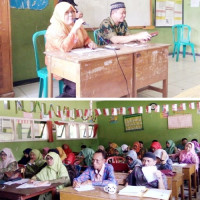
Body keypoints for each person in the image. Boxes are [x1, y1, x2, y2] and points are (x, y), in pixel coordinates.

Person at [45, 2, 97, 97]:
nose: (70, 15)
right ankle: (63, 102)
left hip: (76, 62)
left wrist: (90, 43)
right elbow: (65, 47)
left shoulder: (76, 26)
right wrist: (74, 30)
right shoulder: (54, 28)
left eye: (72, 12)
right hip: (60, 64)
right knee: (80, 84)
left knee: (96, 77)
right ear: (59, 14)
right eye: (66, 12)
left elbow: (85, 39)